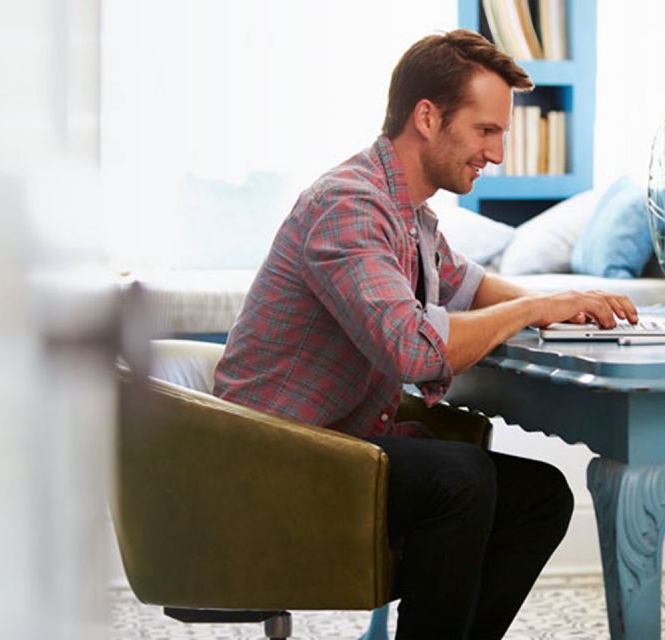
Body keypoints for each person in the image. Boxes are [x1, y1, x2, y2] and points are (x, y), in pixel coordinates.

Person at [212, 30, 641, 639]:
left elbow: (470, 284)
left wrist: (569, 306)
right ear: (427, 117)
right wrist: (538, 306)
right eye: (485, 130)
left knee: (541, 496)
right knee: (458, 480)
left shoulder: (407, 213)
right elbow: (415, 349)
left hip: (328, 447)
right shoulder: (350, 204)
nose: (495, 153)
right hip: (273, 463)